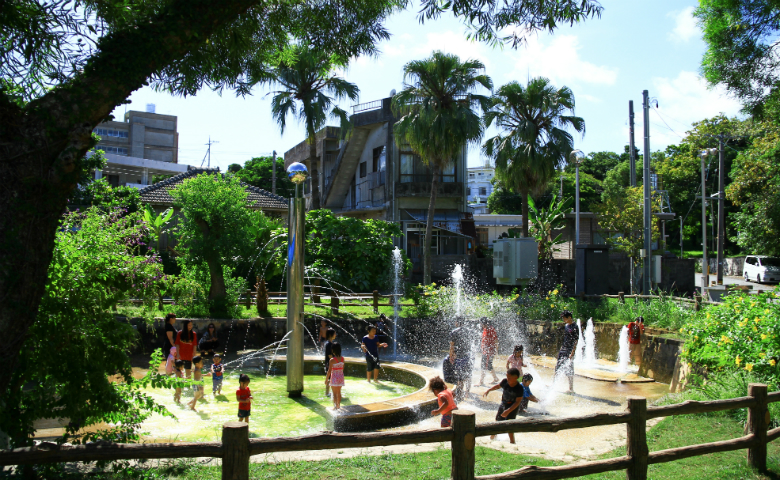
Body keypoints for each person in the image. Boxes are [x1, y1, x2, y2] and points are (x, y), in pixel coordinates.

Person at [483, 368, 537, 443]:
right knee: (497, 422)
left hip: (513, 407)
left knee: (510, 424)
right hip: (503, 404)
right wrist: (489, 390)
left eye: (509, 378)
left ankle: (512, 442)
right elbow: (498, 386)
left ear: (516, 378)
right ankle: (492, 439)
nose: (507, 379)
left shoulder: (519, 388)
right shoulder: (505, 381)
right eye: (507, 377)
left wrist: (508, 411)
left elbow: (517, 402)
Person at [555, 311, 579, 392]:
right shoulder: (566, 326)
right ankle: (554, 385)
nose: (564, 320)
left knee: (570, 369)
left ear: (569, 317)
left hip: (570, 350)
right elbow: (565, 338)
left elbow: (576, 340)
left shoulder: (575, 326)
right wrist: (561, 348)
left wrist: (573, 352)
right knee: (557, 367)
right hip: (563, 349)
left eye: (565, 318)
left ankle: (571, 388)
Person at [449, 318, 473, 400]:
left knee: (460, 376)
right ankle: (467, 393)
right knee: (468, 375)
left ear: (457, 322)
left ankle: (460, 394)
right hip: (469, 355)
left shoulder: (454, 332)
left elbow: (452, 345)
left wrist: (451, 356)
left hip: (459, 356)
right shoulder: (469, 331)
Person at [479, 318, 499, 386]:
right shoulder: (485, 329)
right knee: (488, 365)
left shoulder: (491, 329)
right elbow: (484, 340)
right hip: (486, 350)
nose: (480, 324)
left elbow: (496, 340)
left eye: (481, 323)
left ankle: (481, 381)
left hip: (489, 351)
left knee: (484, 365)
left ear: (483, 323)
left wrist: (496, 350)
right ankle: (495, 378)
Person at [325, 343, 345, 410]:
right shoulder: (342, 359)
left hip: (334, 378)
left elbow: (329, 371)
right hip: (341, 377)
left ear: (333, 350)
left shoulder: (332, 360)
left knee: (334, 393)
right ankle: (338, 406)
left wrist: (326, 379)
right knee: (339, 392)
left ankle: (335, 407)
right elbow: (342, 368)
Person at [323, 329, 336, 397]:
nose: (335, 335)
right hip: (329, 363)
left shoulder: (330, 343)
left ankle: (329, 391)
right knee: (329, 377)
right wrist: (334, 362)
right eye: (334, 334)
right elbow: (329, 355)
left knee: (331, 377)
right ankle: (327, 392)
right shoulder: (329, 344)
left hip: (330, 362)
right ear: (331, 335)